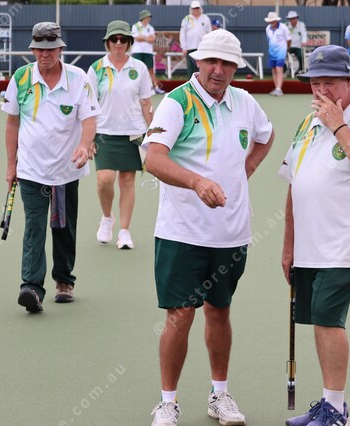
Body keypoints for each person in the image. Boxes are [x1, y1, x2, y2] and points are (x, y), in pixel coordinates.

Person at [143, 29, 274, 426]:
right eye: (212, 61)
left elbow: (266, 137)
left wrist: (245, 170)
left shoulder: (245, 102)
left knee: (219, 310)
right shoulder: (177, 103)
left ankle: (220, 395)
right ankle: (167, 402)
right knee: (181, 314)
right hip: (182, 233)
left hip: (231, 233)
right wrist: (197, 182)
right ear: (198, 61)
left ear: (236, 67)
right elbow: (153, 159)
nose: (219, 70)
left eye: (227, 63)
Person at [278, 45, 350, 426]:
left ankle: (338, 411)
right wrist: (288, 246)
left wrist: (338, 126)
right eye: (315, 83)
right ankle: (329, 404)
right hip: (310, 242)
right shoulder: (307, 122)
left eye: (329, 82)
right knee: (318, 318)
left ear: (348, 81)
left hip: (348, 239)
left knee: (328, 316)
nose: (321, 91)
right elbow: (294, 183)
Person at [2, 22, 100, 313]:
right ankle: (31, 287)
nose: (45, 54)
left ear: (60, 49)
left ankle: (64, 281)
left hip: (66, 171)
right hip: (31, 170)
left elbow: (89, 120)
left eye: (51, 49)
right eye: (39, 49)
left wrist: (84, 145)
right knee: (34, 227)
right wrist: (11, 165)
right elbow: (12, 123)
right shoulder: (21, 78)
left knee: (63, 227)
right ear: (33, 50)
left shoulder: (78, 78)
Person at [87, 20, 154, 249]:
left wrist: (153, 136)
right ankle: (107, 217)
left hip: (133, 133)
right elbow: (88, 106)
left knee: (127, 180)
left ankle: (124, 232)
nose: (118, 43)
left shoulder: (140, 68)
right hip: (104, 132)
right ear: (107, 42)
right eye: (114, 39)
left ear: (129, 42)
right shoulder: (96, 68)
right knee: (104, 179)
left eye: (123, 39)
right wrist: (87, 139)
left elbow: (146, 104)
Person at [132, 10, 166, 95]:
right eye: (147, 17)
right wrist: (147, 38)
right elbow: (137, 38)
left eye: (149, 17)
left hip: (148, 52)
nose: (149, 18)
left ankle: (156, 88)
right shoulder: (135, 26)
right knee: (137, 70)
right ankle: (136, 89)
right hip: (137, 52)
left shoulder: (150, 28)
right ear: (143, 17)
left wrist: (143, 37)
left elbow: (152, 39)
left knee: (150, 70)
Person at [180, 0, 211, 79]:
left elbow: (209, 33)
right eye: (194, 8)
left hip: (202, 48)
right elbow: (182, 33)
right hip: (190, 48)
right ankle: (190, 85)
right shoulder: (186, 19)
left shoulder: (205, 18)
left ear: (200, 8)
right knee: (191, 70)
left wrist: (208, 46)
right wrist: (184, 47)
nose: (196, 10)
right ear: (191, 9)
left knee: (202, 69)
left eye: (197, 8)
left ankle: (202, 85)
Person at [264, 11, 290, 96]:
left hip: (281, 51)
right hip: (272, 52)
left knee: (279, 69)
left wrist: (287, 49)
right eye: (270, 21)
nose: (271, 22)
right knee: (274, 70)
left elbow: (289, 39)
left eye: (273, 20)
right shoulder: (268, 29)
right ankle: (276, 88)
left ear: (276, 20)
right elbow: (269, 40)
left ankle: (279, 89)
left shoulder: (283, 27)